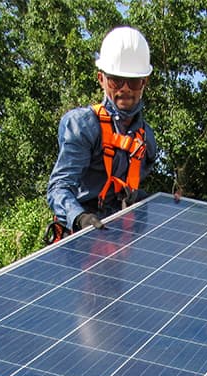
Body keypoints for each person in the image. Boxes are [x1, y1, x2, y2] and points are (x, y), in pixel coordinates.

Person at [45, 26, 158, 244]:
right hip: (81, 239)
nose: (125, 89)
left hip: (120, 241)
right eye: (116, 80)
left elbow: (134, 195)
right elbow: (59, 188)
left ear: (144, 82)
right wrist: (79, 218)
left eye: (133, 81)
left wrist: (172, 207)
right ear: (101, 79)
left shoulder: (146, 139)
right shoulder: (83, 125)